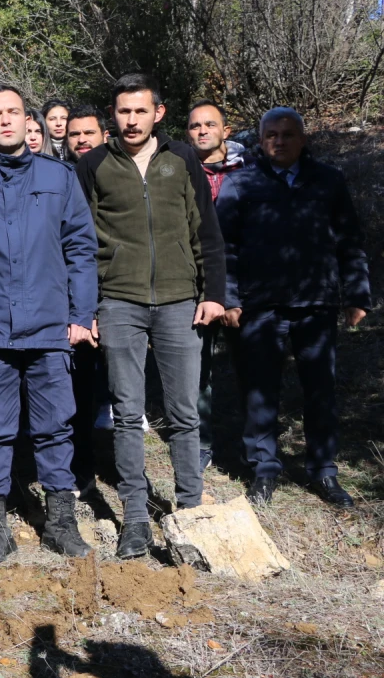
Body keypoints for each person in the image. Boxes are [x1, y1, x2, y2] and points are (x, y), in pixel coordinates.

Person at [0, 85, 98, 563]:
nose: (5, 121)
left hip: (50, 326)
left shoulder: (59, 176)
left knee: (55, 427)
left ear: (26, 119)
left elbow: (80, 249)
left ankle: (61, 522)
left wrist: (80, 314)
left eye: (12, 112)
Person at [74, 72, 226, 560]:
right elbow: (81, 243)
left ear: (158, 113)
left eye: (141, 110)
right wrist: (88, 306)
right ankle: (136, 521)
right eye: (123, 111)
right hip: (118, 301)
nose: (132, 119)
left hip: (182, 300)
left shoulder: (181, 157)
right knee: (126, 415)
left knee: (183, 413)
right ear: (112, 116)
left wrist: (213, 293)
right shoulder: (94, 163)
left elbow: (205, 230)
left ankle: (189, 513)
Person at [217, 107, 370, 509]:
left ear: (302, 138)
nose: (279, 142)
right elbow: (224, 247)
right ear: (261, 140)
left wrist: (356, 294)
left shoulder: (329, 181)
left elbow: (349, 241)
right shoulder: (242, 183)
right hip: (260, 306)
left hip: (316, 303)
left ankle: (323, 471)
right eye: (271, 135)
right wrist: (230, 298)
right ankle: (264, 469)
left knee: (320, 389)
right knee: (259, 391)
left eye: (287, 134)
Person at [186, 100, 248, 472]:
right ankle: (201, 444)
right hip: (195, 289)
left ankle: (252, 446)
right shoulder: (179, 170)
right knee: (197, 373)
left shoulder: (251, 172)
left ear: (226, 131)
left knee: (250, 372)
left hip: (244, 291)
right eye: (195, 126)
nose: (203, 131)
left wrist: (233, 295)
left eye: (211, 124)